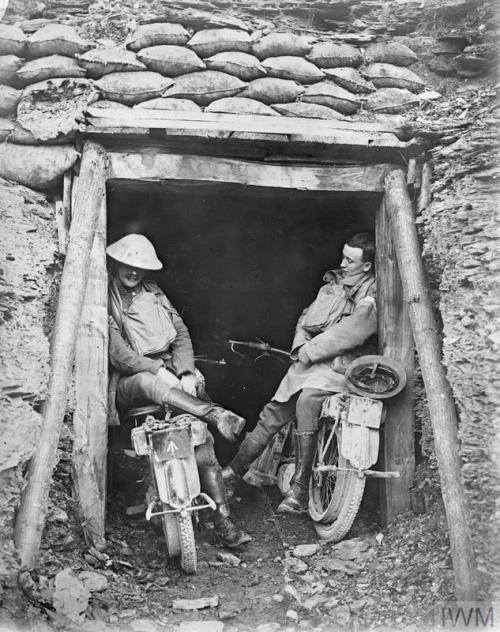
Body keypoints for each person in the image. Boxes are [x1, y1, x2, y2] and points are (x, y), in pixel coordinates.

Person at [106, 233, 251, 548]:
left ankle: (224, 522)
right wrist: (157, 369)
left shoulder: (154, 292)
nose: (133, 271)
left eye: (140, 266)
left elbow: (181, 333)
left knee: (204, 445)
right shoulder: (106, 296)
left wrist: (184, 372)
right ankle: (215, 413)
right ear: (118, 262)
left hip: (171, 376)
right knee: (149, 383)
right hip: (132, 380)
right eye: (129, 264)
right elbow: (118, 353)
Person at [222, 233, 377, 514]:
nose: (342, 263)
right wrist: (301, 347)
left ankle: (301, 490)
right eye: (343, 256)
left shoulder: (372, 291)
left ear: (366, 266)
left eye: (350, 260)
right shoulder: (332, 285)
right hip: (311, 363)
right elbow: (305, 321)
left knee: (307, 401)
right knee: (273, 411)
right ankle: (231, 472)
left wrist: (313, 350)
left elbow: (357, 329)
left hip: (342, 366)